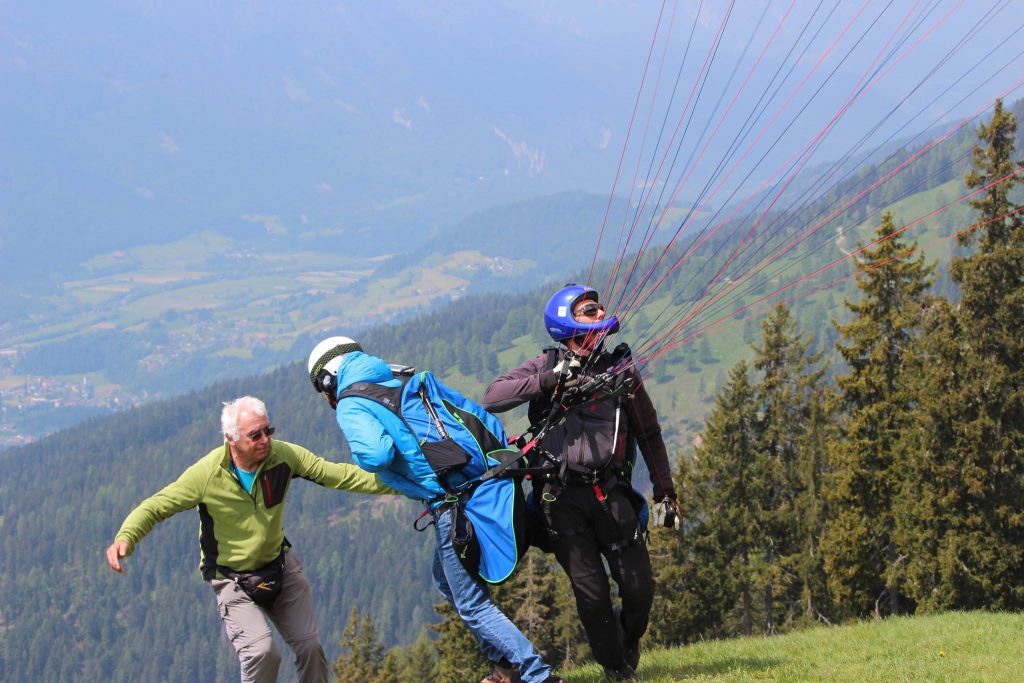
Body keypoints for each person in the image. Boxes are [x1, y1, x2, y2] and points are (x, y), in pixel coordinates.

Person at [307, 336, 564, 683]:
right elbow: (475, 415)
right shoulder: (401, 376)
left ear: (327, 380)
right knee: (444, 579)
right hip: (482, 484)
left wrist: (363, 457)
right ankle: (504, 667)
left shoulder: (351, 403)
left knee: (471, 603)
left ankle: (536, 674)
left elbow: (377, 454)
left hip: (451, 503)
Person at [105, 396, 395, 683]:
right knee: (262, 652)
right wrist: (126, 537)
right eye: (255, 435)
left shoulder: (283, 457)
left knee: (310, 647)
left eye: (268, 430)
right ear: (231, 439)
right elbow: (157, 506)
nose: (265, 440)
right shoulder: (208, 474)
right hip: (231, 579)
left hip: (279, 567)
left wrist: (405, 484)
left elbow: (339, 475)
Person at [482, 284, 679, 682]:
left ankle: (628, 639)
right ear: (566, 322)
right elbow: (493, 397)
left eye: (598, 309)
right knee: (592, 594)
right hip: (561, 500)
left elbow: (649, 432)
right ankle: (616, 669)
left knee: (639, 588)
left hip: (610, 492)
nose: (599, 314)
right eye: (589, 310)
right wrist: (550, 379)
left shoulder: (621, 372)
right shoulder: (546, 365)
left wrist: (665, 493)